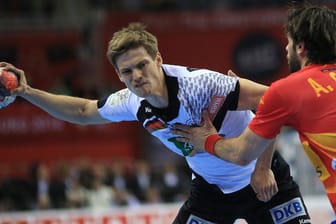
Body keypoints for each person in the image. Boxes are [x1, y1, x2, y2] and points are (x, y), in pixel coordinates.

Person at [0, 22, 311, 223]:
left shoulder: (201, 85)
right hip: (211, 193)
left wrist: (262, 168)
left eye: (142, 65)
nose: (136, 76)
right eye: (126, 72)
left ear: (159, 60)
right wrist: (27, 92)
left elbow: (273, 101)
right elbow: (82, 111)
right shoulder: (131, 101)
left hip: (266, 181)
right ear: (119, 76)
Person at [171, 3, 336, 221]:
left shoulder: (287, 90)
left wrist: (207, 140)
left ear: (300, 47)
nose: (286, 49)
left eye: (288, 42)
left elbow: (242, 153)